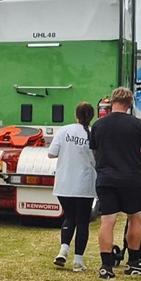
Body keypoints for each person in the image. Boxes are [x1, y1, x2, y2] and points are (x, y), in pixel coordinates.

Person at [88, 87, 141, 278]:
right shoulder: (137, 125)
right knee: (134, 218)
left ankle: (106, 266)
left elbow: (94, 151)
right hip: (132, 178)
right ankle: (134, 262)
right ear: (130, 104)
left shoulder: (99, 125)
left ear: (111, 102)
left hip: (106, 178)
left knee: (107, 221)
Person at [48, 101, 97, 271]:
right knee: (82, 222)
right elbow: (97, 159)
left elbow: (51, 153)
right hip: (84, 183)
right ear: (92, 116)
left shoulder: (64, 130)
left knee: (69, 217)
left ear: (76, 115)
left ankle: (63, 250)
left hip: (64, 182)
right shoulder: (92, 134)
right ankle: (78, 261)